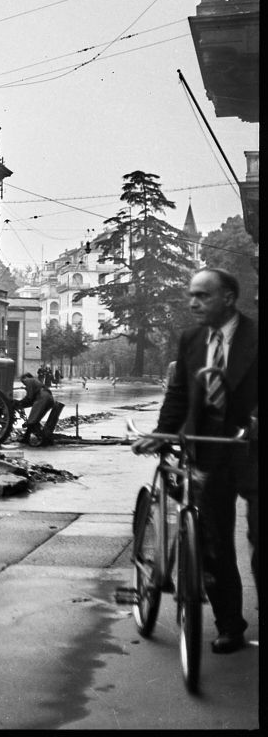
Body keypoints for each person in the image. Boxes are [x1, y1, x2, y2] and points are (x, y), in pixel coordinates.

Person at [132, 268, 258, 655]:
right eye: (191, 295)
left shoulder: (256, 336)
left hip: (252, 450)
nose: (193, 303)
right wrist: (162, 432)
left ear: (228, 298)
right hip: (206, 450)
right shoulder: (190, 339)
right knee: (213, 541)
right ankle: (229, 626)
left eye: (202, 295)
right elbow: (178, 394)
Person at [15, 371, 64, 446]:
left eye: (23, 382)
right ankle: (27, 438)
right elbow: (30, 400)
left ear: (25, 378)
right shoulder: (36, 382)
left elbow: (29, 397)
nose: (24, 384)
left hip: (42, 398)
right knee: (34, 420)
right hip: (48, 398)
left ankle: (40, 438)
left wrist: (19, 403)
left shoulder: (28, 380)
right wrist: (21, 404)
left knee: (32, 420)